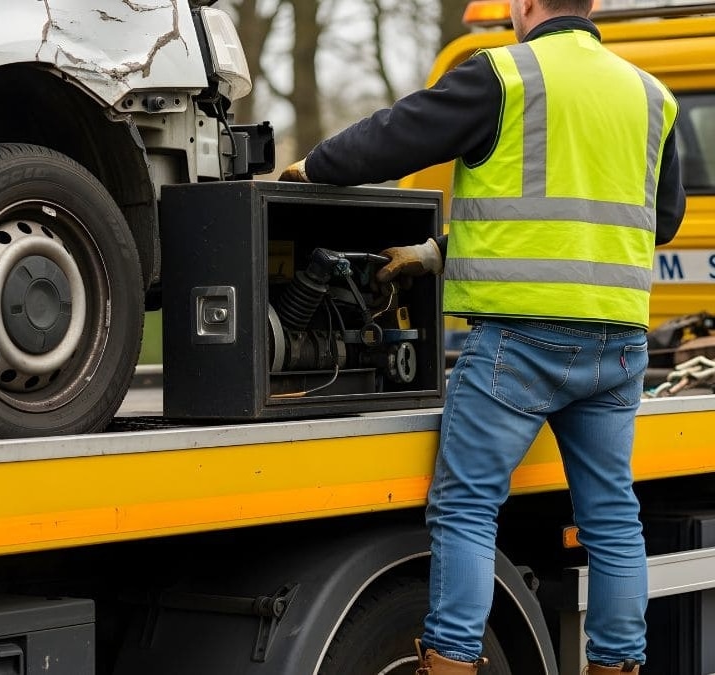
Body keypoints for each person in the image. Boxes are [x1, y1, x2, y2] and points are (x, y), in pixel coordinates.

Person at [279, 0, 686, 670]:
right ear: (594, 7)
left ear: (525, 5)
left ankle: (452, 661)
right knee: (612, 519)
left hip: (519, 346)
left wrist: (313, 168)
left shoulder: (502, 74)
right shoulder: (650, 95)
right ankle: (617, 664)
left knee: (467, 508)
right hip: (616, 346)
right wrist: (439, 252)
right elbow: (655, 220)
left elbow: (393, 136)